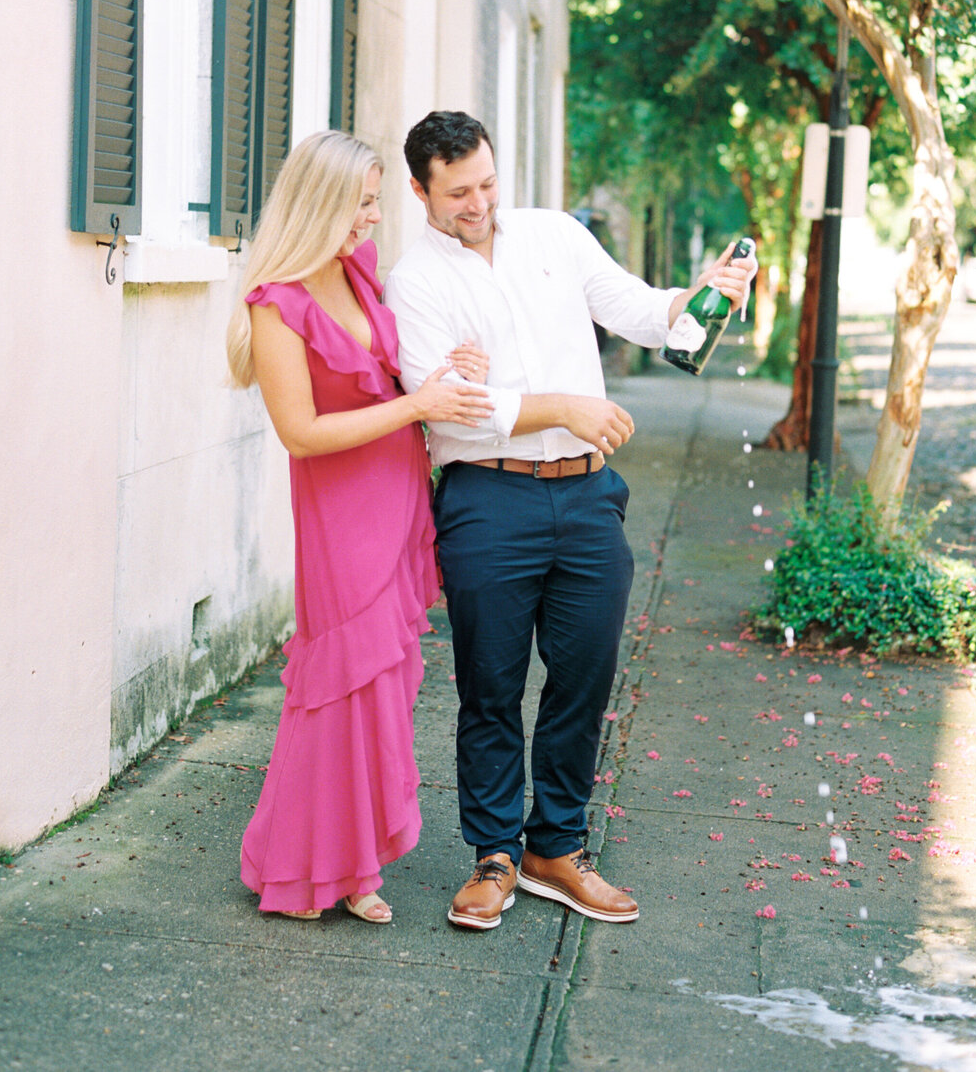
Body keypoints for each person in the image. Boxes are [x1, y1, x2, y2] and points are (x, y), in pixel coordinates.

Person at [384, 111, 757, 931]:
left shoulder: (555, 235)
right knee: (489, 685)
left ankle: (557, 849)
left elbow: (642, 311)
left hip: (588, 496)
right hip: (488, 498)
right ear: (420, 191)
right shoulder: (414, 281)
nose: (478, 202)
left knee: (584, 677)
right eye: (457, 194)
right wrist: (566, 408)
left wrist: (702, 295)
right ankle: (493, 857)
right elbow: (452, 407)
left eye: (486, 182)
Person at [227, 130, 493, 922]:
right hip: (341, 515)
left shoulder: (357, 274)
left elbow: (390, 380)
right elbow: (301, 432)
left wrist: (446, 374)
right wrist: (415, 406)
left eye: (376, 201)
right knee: (342, 688)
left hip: (399, 497)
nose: (374, 218)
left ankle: (357, 865)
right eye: (364, 202)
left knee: (388, 688)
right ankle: (307, 868)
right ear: (320, 204)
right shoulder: (277, 305)